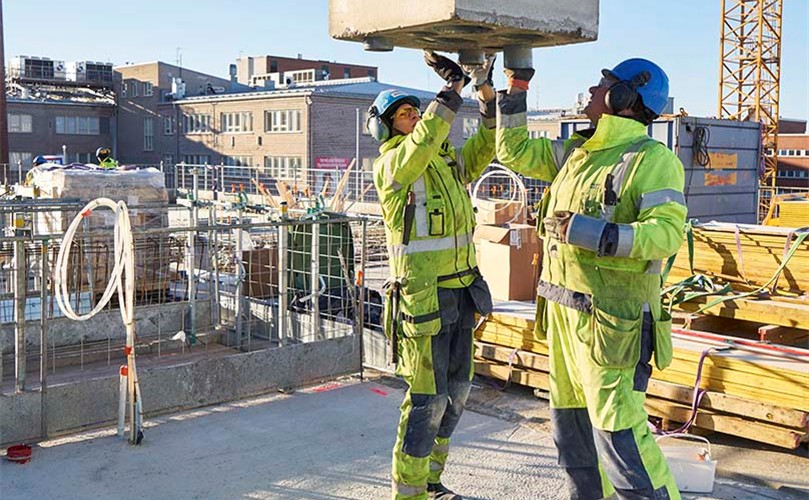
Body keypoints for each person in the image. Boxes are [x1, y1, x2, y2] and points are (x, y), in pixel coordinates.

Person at [496, 58, 687, 499]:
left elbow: (666, 233)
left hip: (611, 325)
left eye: (602, 86)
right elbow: (515, 152)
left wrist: (594, 233)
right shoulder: (578, 153)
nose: (591, 90)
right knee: (573, 437)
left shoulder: (653, 160)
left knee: (621, 440)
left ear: (625, 97)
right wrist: (516, 89)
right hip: (565, 318)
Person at [370, 51, 497, 500]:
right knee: (427, 401)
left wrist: (485, 95)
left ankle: (431, 482)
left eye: (414, 110)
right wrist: (449, 91)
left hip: (461, 295)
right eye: (404, 114)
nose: (414, 117)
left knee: (457, 395)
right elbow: (423, 141)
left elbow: (485, 147)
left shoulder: (443, 162)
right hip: (424, 302)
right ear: (386, 127)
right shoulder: (391, 166)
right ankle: (408, 494)